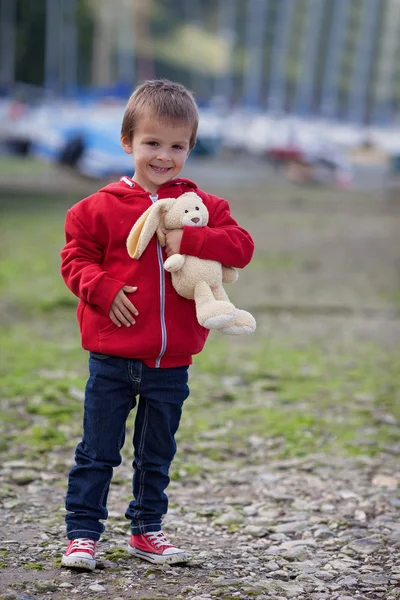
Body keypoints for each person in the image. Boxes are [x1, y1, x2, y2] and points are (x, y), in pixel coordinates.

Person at [60, 79, 254, 571]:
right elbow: (74, 259)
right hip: (112, 355)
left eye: (177, 145)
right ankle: (82, 534)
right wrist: (102, 291)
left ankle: (146, 530)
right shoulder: (97, 207)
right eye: (152, 143)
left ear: (190, 147)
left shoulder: (204, 207)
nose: (164, 155)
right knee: (97, 450)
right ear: (128, 142)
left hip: (173, 360)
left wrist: (192, 236)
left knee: (156, 454)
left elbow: (242, 248)